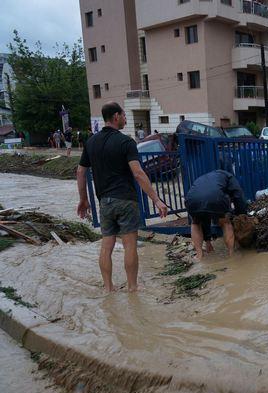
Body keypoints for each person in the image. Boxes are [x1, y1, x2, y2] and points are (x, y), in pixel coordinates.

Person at [76, 102, 168, 293]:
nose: (126, 119)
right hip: (125, 199)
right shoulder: (126, 142)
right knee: (129, 245)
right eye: (125, 116)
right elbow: (138, 173)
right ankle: (133, 288)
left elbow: (80, 172)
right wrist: (156, 199)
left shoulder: (91, 142)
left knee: (106, 246)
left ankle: (108, 288)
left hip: (104, 202)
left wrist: (83, 199)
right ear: (116, 116)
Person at [185, 170, 247, 259]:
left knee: (195, 223)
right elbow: (238, 196)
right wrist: (242, 214)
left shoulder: (203, 178)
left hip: (191, 200)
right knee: (225, 222)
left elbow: (205, 213)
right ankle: (231, 254)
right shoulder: (229, 177)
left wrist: (208, 241)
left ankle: (200, 254)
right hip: (215, 198)